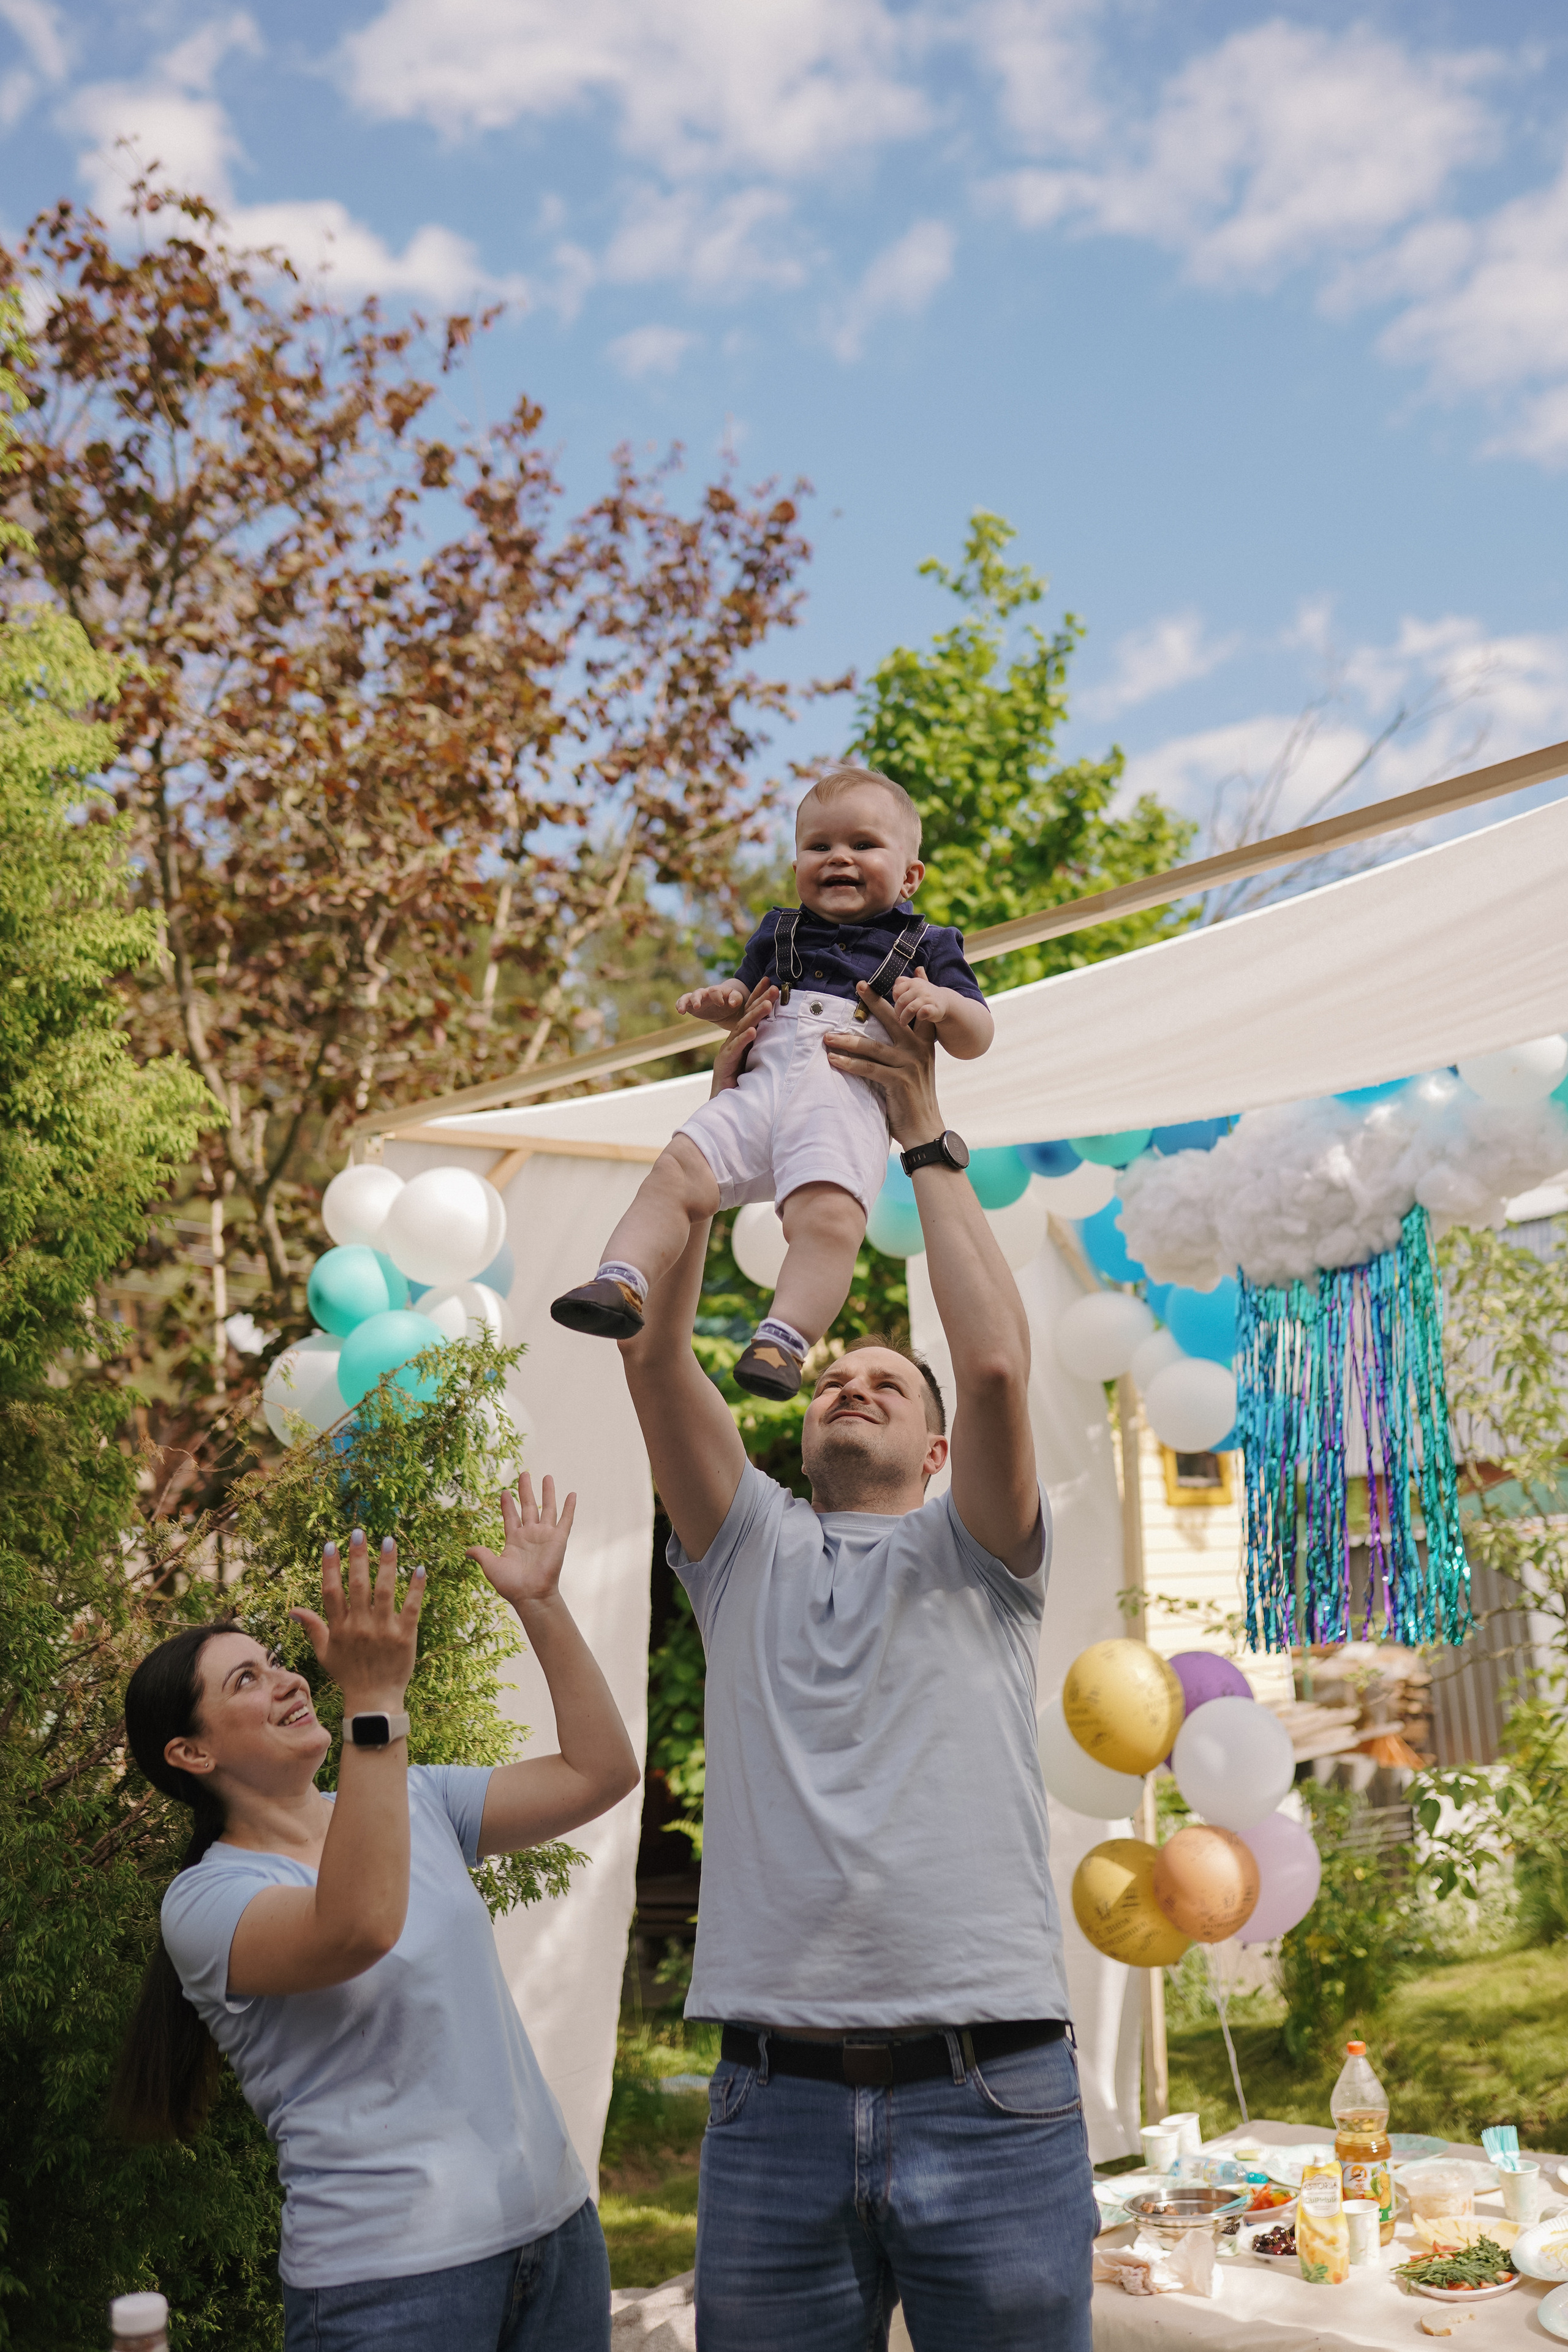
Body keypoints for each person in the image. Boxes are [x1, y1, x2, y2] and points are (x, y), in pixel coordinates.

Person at [616, 994, 1096, 2352]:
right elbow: (651, 1353)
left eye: (891, 1382)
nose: (853, 1384)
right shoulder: (744, 1549)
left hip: (991, 2093)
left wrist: (923, 1132)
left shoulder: (982, 1553)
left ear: (939, 1454)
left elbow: (991, 1365)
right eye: (835, 1375)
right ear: (798, 1428)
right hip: (774, 2108)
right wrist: (719, 1151)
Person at [109, 1474, 639, 2352]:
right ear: (191, 1752)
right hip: (390, 2284)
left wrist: (541, 1604)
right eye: (247, 1679)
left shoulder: (417, 1798)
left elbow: (600, 1773)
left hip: (555, 2240)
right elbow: (358, 1925)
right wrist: (375, 1702)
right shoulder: (205, 1903)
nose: (287, 1679)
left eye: (276, 1660)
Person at [550, 764, 993, 1400]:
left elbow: (976, 1036)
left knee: (829, 1220)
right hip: (757, 1090)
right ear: (796, 867)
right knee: (676, 1170)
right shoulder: (778, 930)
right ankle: (621, 1280)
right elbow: (746, 993)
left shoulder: (928, 943)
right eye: (819, 846)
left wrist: (945, 1004)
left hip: (841, 1099)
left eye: (863, 844)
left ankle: (782, 1340)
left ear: (909, 877)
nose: (838, 857)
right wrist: (726, 999)